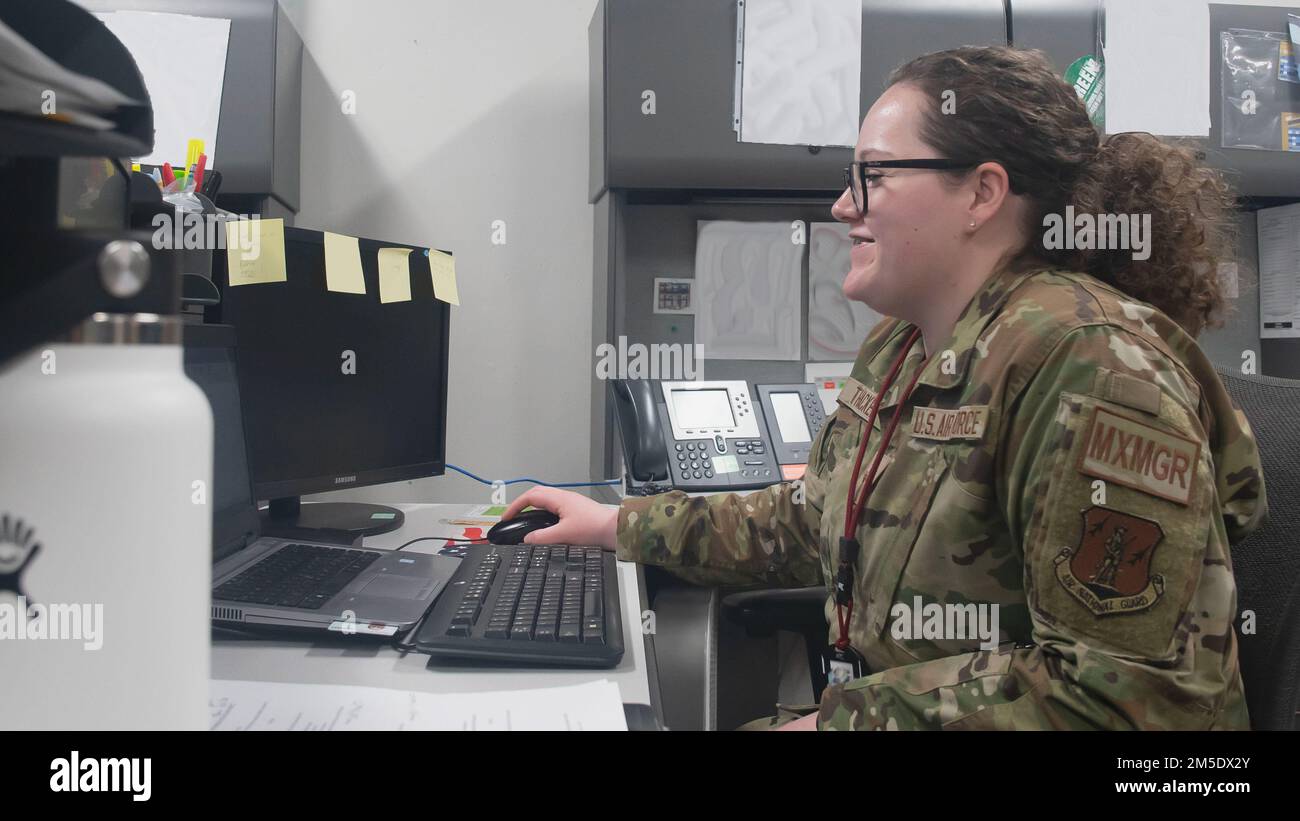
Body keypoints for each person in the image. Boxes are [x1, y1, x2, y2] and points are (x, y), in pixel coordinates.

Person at [503, 45, 1268, 730]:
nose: (844, 205)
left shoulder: (1091, 364)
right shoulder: (904, 345)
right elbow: (810, 524)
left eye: (872, 174)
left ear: (981, 193)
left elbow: (1123, 698)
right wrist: (618, 526)